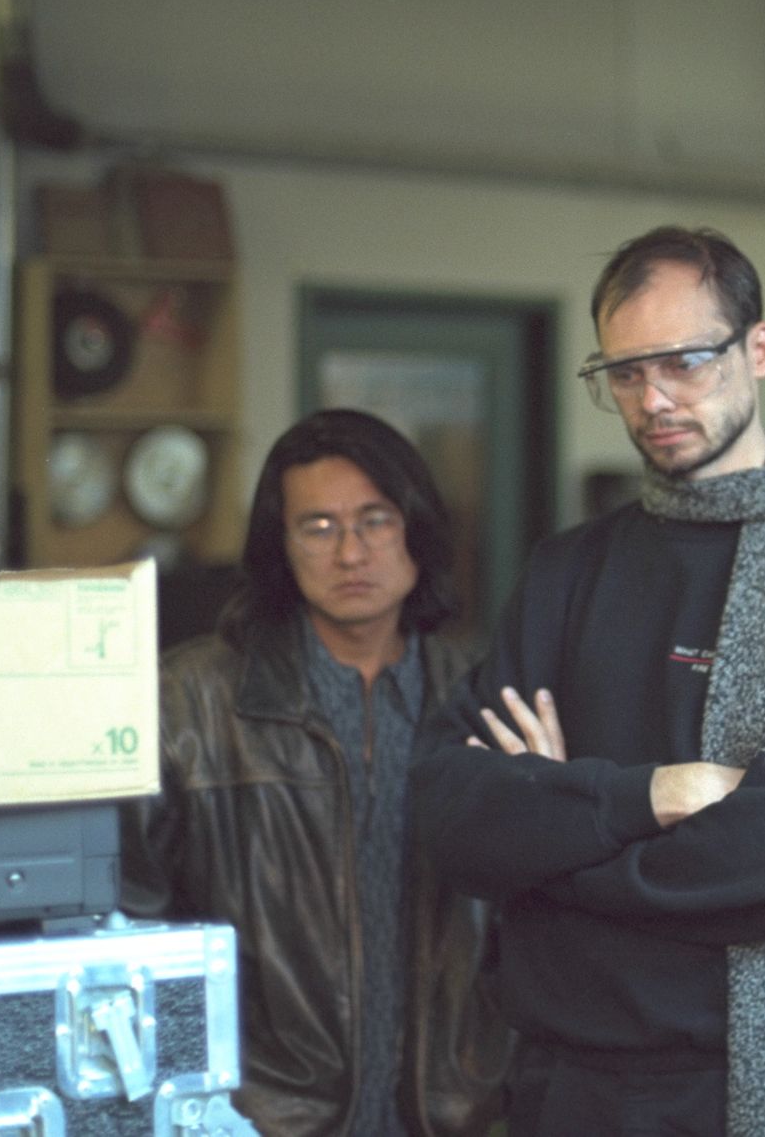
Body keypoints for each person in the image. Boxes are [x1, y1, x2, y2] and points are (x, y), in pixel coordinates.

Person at [410, 225, 765, 1136]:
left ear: (758, 349)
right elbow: (448, 812)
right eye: (623, 373)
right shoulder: (566, 570)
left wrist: (553, 843)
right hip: (564, 1083)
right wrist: (646, 795)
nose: (653, 398)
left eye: (686, 362)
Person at [121, 409, 510, 1137]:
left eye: (375, 519)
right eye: (319, 526)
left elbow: (530, 922)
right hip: (254, 1116)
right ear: (283, 547)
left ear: (416, 530)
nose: (351, 552)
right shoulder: (191, 700)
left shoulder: (485, 696)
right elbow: (129, 925)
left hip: (447, 1113)